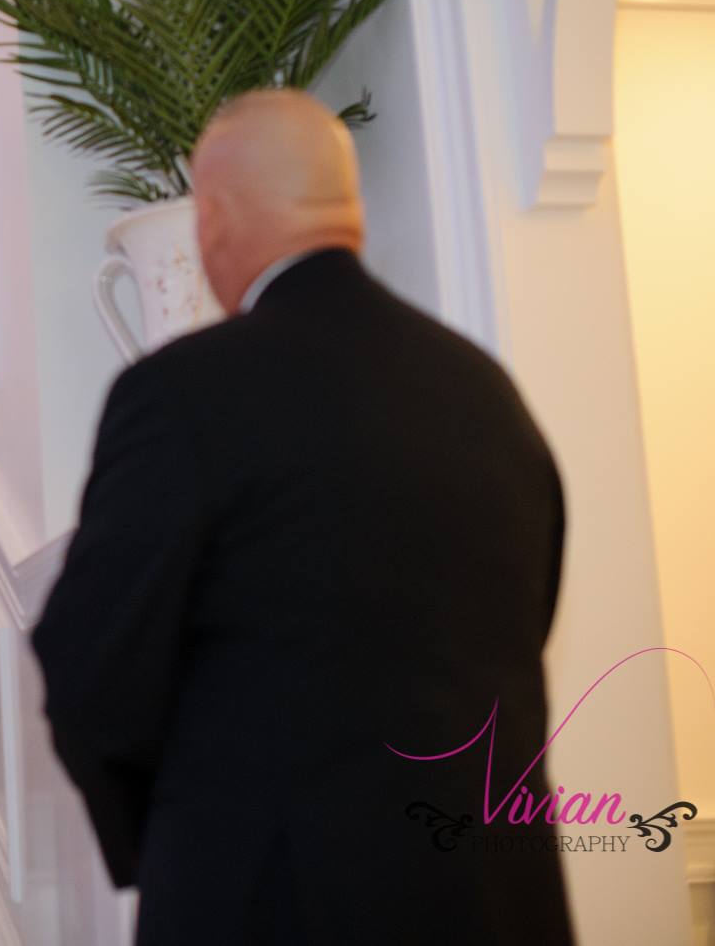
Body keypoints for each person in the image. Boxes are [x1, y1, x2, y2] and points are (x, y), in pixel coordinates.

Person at [31, 90, 573, 944]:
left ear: (212, 218)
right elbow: (523, 623)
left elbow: (91, 660)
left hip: (279, 902)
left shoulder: (181, 393)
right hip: (496, 900)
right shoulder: (484, 391)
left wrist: (181, 835)